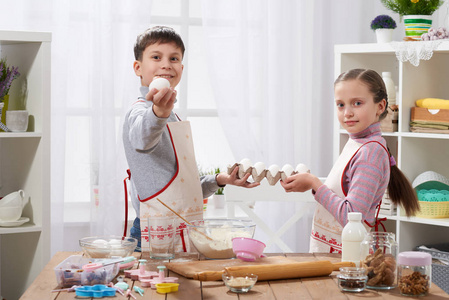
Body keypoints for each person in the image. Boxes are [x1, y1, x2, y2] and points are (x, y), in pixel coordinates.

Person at [123, 26, 258, 252]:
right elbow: (142, 139)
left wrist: (220, 180)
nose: (166, 64)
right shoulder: (140, 113)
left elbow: (184, 189)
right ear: (138, 67)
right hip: (154, 231)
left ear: (182, 68)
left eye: (174, 58)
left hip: (184, 228)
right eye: (156, 57)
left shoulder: (172, 116)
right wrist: (158, 112)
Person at [280, 69, 419, 253]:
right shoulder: (357, 141)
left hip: (348, 262)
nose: (347, 113)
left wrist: (314, 183)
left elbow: (352, 218)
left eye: (357, 103)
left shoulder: (371, 152)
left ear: (380, 106)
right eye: (340, 104)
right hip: (334, 257)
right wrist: (311, 184)